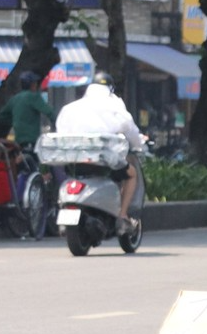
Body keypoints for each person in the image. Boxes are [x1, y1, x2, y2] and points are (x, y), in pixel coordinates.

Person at [53, 70, 146, 228]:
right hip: (104, 160)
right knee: (131, 174)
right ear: (110, 89)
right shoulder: (115, 106)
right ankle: (122, 215)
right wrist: (138, 145)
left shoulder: (70, 108)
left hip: (74, 160)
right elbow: (131, 131)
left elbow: (60, 130)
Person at [5, 71, 53, 147]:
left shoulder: (15, 99)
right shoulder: (33, 97)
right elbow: (50, 112)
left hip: (18, 140)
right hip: (32, 140)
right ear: (33, 84)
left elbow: (3, 115)